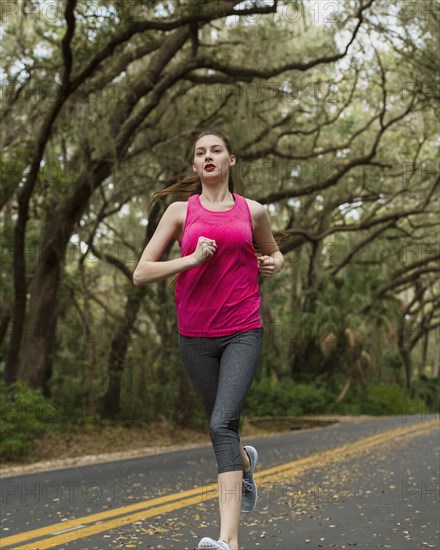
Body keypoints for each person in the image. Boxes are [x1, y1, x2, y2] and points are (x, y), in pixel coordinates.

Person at [133, 130, 285, 550]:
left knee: (222, 425)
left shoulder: (252, 211)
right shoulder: (181, 211)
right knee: (222, 430)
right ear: (196, 166)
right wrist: (192, 258)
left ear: (230, 160)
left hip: (242, 330)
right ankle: (245, 462)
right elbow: (141, 272)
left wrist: (274, 263)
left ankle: (227, 542)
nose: (208, 156)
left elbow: (274, 252)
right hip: (195, 336)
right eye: (200, 153)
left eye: (215, 150)